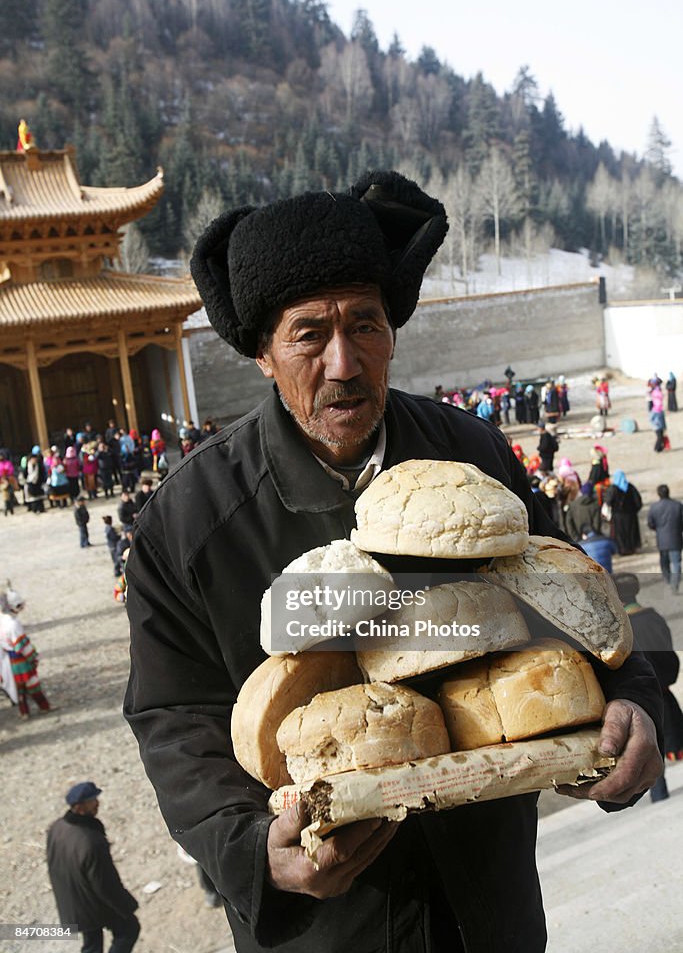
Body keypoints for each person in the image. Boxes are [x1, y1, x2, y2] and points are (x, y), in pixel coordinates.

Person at [123, 172, 663, 953]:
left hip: (489, 904)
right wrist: (252, 852)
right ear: (263, 356)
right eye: (309, 333)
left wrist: (631, 699)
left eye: (365, 325)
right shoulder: (190, 520)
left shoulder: (471, 459)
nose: (343, 362)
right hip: (328, 925)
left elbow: (571, 599)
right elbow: (174, 717)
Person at [47, 781, 140, 953]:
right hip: (92, 904)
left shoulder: (57, 827)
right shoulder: (91, 841)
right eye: (92, 800)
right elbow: (105, 885)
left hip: (73, 903)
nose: (97, 803)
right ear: (79, 807)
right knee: (129, 930)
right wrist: (127, 906)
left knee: (92, 944)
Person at [613, 573, 683, 797]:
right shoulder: (654, 618)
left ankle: (659, 793)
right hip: (663, 691)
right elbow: (670, 656)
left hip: (638, 699)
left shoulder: (620, 627)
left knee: (646, 748)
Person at [0, 584, 51, 718]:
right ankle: (44, 707)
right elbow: (22, 646)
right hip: (20, 659)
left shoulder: (3, 621)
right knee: (32, 683)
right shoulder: (14, 624)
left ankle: (24, 713)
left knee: (20, 688)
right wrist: (33, 657)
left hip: (8, 660)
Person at [647, 484, 683, 593]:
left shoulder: (654, 507)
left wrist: (659, 530)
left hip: (662, 540)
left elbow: (650, 523)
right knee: (676, 563)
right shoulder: (678, 505)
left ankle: (668, 580)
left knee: (664, 562)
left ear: (658, 494)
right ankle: (675, 584)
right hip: (676, 539)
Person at [602, 470, 642, 556]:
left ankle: (622, 550)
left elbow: (608, 501)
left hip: (618, 516)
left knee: (620, 534)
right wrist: (634, 511)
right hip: (631, 515)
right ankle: (632, 548)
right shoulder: (630, 487)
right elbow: (638, 502)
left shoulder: (613, 489)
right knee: (631, 532)